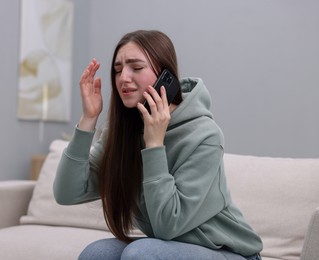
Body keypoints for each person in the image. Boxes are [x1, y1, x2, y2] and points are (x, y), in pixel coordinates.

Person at [53, 30, 263, 260]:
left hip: (229, 253)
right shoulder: (123, 133)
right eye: (118, 69)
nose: (123, 77)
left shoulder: (204, 135)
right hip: (171, 248)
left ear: (165, 75)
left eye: (136, 67)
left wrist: (154, 144)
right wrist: (88, 120)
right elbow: (67, 193)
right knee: (97, 254)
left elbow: (167, 226)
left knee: (141, 254)